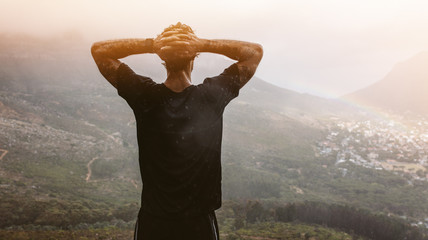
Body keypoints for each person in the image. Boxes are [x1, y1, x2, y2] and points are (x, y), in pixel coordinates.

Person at [91, 22, 263, 240]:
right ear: (193, 57)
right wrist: (202, 44)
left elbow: (99, 51)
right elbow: (254, 53)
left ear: (163, 59)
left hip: (153, 222)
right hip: (198, 224)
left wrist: (152, 44)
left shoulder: (145, 97)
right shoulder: (211, 97)